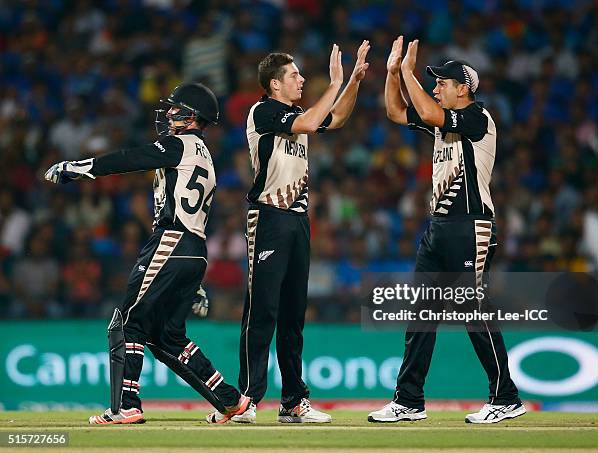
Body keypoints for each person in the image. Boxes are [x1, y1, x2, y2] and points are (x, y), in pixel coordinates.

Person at [44, 82, 250, 425]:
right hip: (194, 250)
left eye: (176, 109)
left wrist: (80, 168)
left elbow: (130, 158)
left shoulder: (179, 145)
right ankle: (230, 400)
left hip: (171, 242)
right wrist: (192, 281)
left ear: (192, 116)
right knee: (167, 337)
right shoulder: (206, 156)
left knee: (125, 324)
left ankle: (125, 405)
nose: (169, 114)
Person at [368, 36, 526, 424]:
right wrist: (392, 74)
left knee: (473, 310)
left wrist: (408, 71)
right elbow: (394, 111)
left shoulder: (477, 118)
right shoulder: (443, 122)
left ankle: (505, 396)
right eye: (433, 82)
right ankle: (408, 401)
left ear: (463, 89)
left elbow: (428, 111)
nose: (436, 87)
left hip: (471, 225)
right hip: (440, 226)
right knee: (421, 313)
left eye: (441, 83)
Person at [229, 42, 370, 424]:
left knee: (293, 316)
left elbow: (335, 118)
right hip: (269, 217)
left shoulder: (292, 113)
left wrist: (353, 81)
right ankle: (246, 399)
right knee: (262, 311)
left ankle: (292, 401)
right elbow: (310, 122)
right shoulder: (264, 111)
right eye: (294, 75)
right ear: (274, 85)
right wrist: (335, 81)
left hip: (297, 220)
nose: (301, 79)